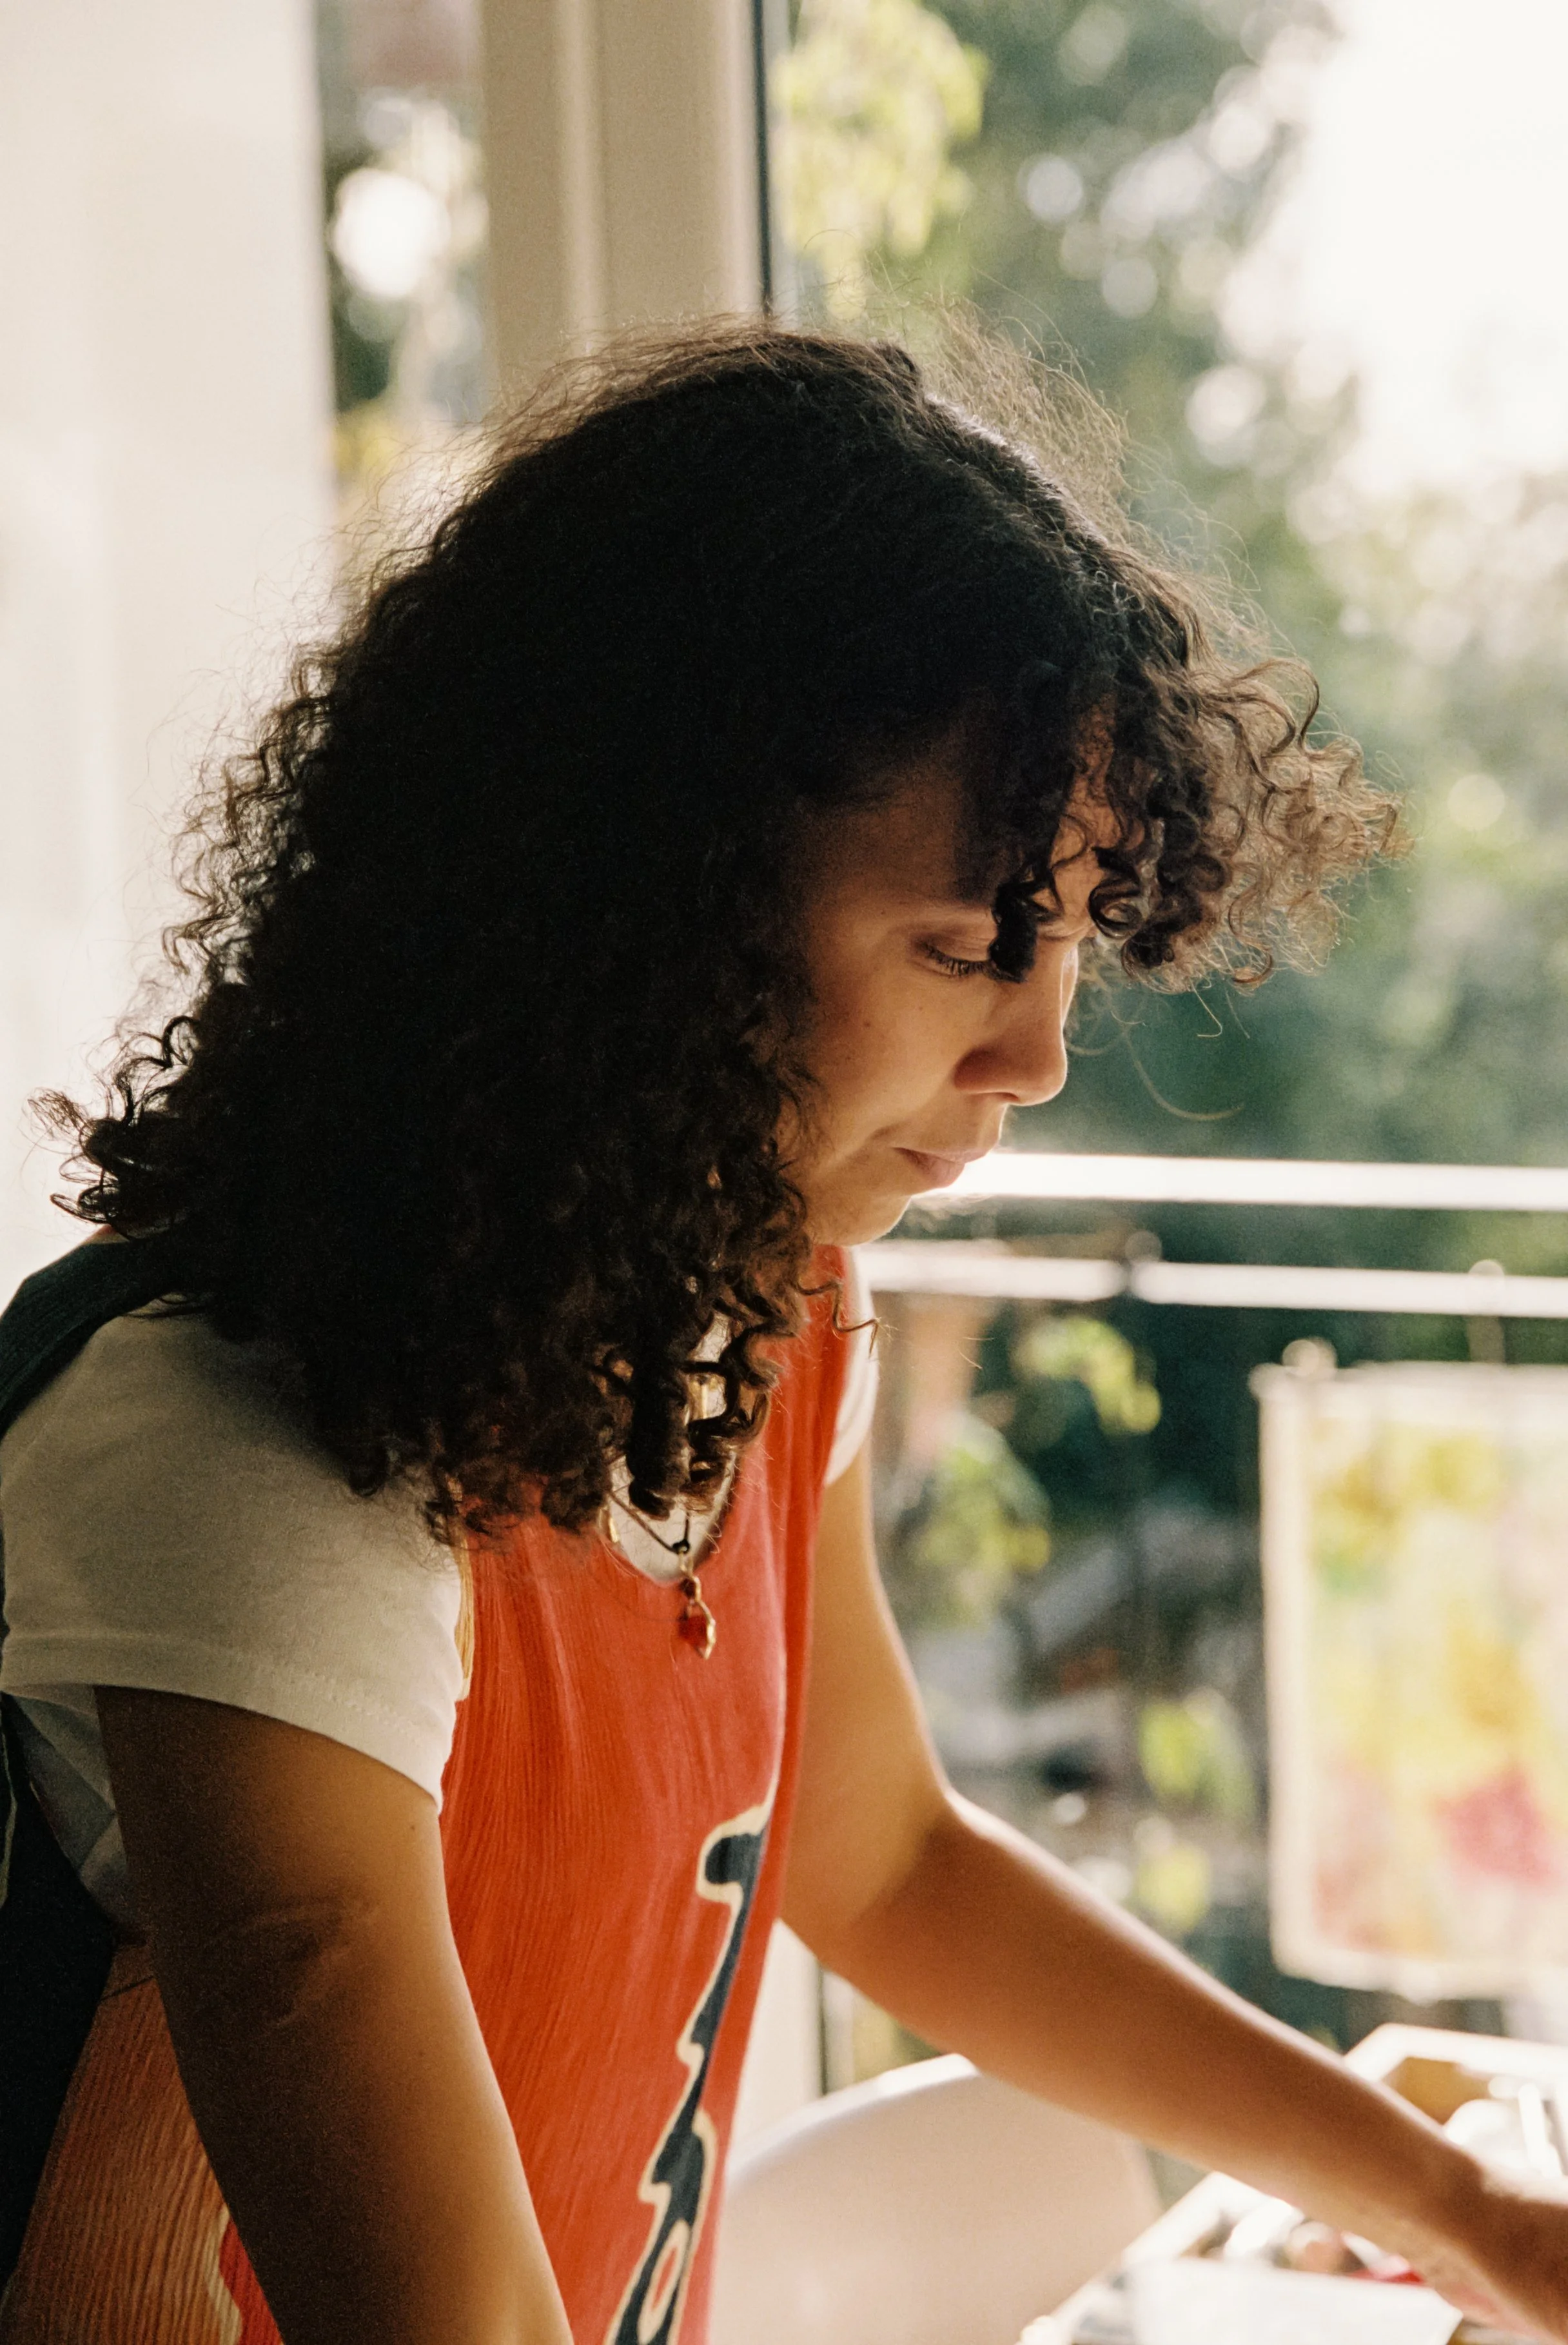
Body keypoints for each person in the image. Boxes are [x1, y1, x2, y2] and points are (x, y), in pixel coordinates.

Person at [0, 322, 1563, 2345]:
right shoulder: (254, 1467)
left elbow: (886, 1851)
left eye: (1066, 939)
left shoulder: (752, 1309)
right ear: (638, 903)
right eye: (964, 944)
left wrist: (1469, 2213)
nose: (1040, 1048)